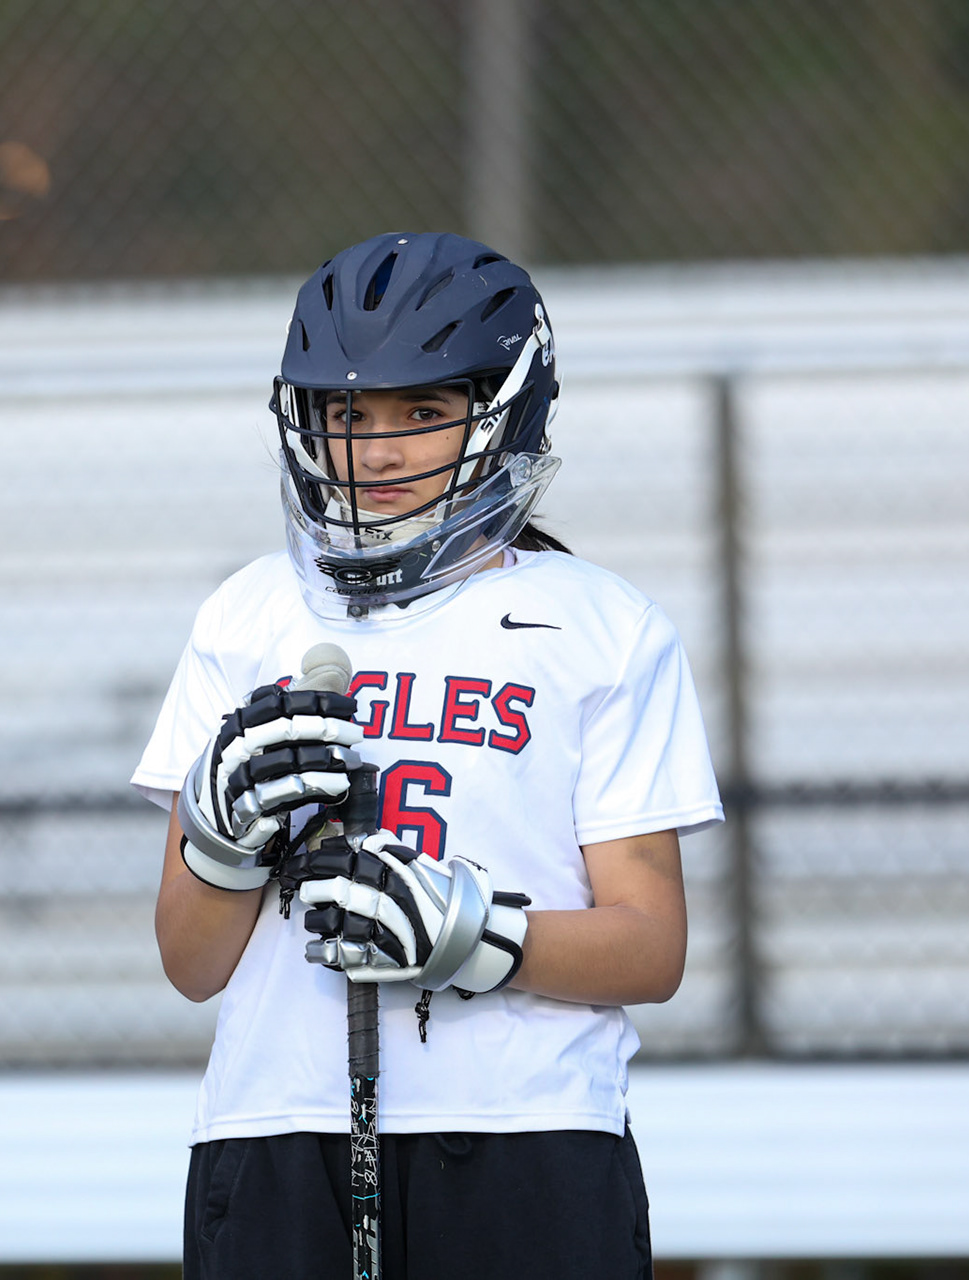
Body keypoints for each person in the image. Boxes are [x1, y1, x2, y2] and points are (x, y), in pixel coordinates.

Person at [132, 231, 724, 1279]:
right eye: (349, 413)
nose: (380, 448)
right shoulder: (251, 612)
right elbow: (191, 964)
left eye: (424, 410)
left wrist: (472, 932)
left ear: (502, 411)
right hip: (277, 1120)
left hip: (526, 1128)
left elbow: (651, 946)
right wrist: (219, 841)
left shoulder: (597, 624)